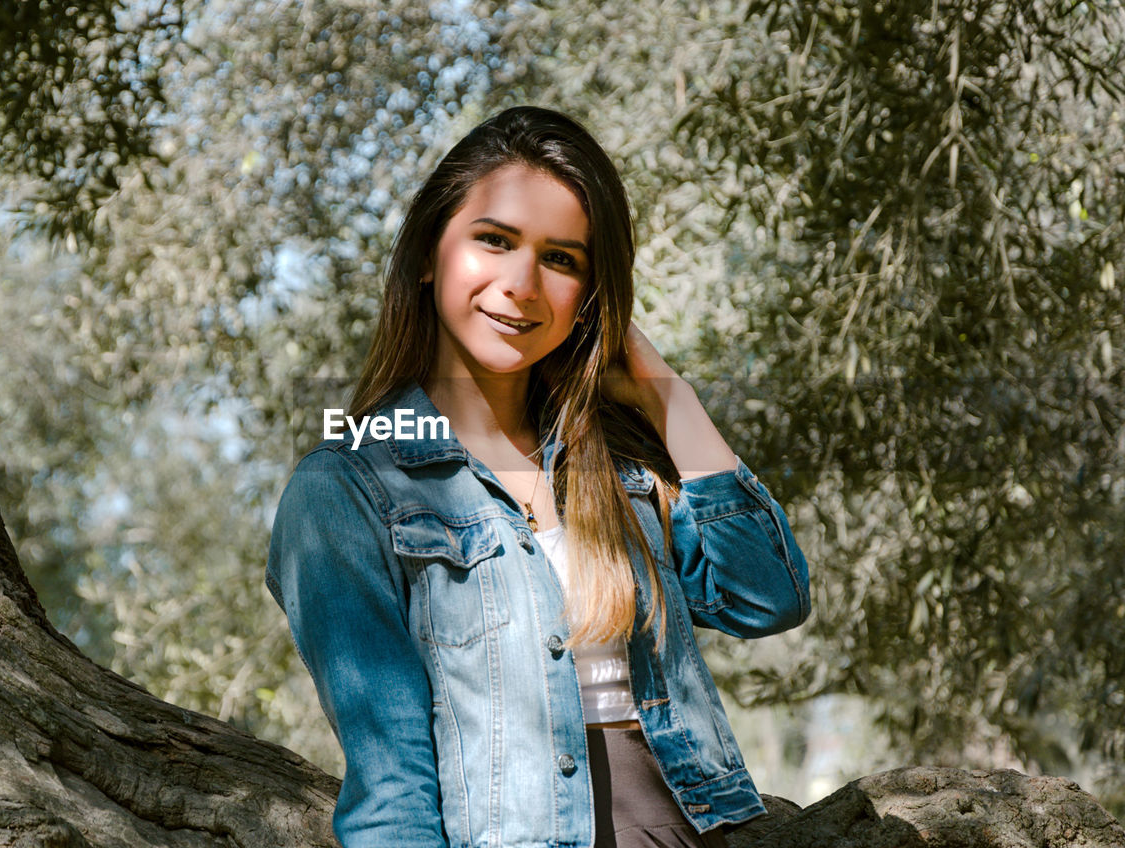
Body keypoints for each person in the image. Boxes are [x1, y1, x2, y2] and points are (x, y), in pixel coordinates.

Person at [265, 106, 811, 848]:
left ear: (590, 292)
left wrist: (665, 391)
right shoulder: (347, 489)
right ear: (430, 255)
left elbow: (766, 598)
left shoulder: (619, 464)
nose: (521, 284)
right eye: (493, 241)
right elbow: (391, 783)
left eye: (561, 259)